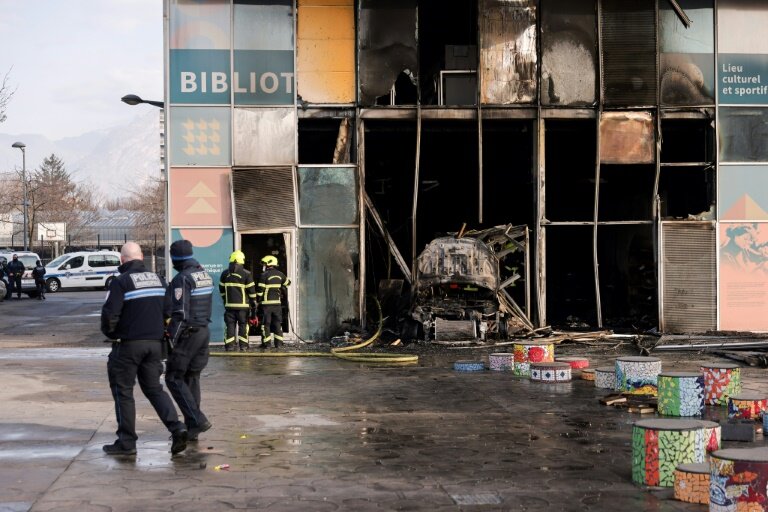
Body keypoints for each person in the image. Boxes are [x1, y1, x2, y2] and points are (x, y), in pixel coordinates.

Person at [101, 241, 188, 456]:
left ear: (122, 260)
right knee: (154, 389)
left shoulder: (121, 282)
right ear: (141, 258)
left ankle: (126, 442)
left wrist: (113, 334)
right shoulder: (159, 280)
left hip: (128, 346)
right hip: (155, 346)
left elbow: (110, 316)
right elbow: (169, 310)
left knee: (123, 392)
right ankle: (177, 428)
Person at [164, 239, 213, 442]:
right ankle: (193, 426)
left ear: (174, 258)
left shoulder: (182, 279)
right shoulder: (204, 275)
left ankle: (197, 419)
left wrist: (171, 340)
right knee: (192, 377)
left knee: (173, 377)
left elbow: (180, 313)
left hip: (188, 334)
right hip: (203, 331)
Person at [219, 250, 258, 352]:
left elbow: (222, 290)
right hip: (243, 307)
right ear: (242, 260)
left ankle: (229, 347)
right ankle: (243, 346)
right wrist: (253, 303)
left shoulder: (224, 273)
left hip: (229, 307)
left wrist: (225, 301)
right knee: (243, 326)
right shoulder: (247, 274)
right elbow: (252, 292)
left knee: (230, 326)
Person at [256, 255, 290, 349]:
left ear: (268, 264)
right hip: (277, 304)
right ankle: (278, 344)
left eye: (264, 264)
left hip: (266, 305)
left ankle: (266, 345)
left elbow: (260, 291)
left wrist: (257, 301)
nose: (263, 266)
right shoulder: (280, 274)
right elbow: (288, 283)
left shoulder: (264, 275)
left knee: (266, 324)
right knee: (277, 324)